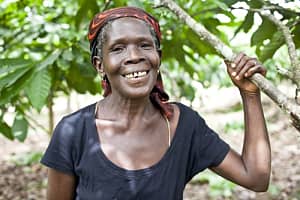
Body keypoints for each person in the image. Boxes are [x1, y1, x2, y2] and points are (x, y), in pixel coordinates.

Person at [41, 6, 271, 200]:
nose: (134, 56)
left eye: (144, 45)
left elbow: (256, 177)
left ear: (158, 57)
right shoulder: (73, 131)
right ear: (100, 65)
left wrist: (250, 95)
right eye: (118, 48)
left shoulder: (183, 125)